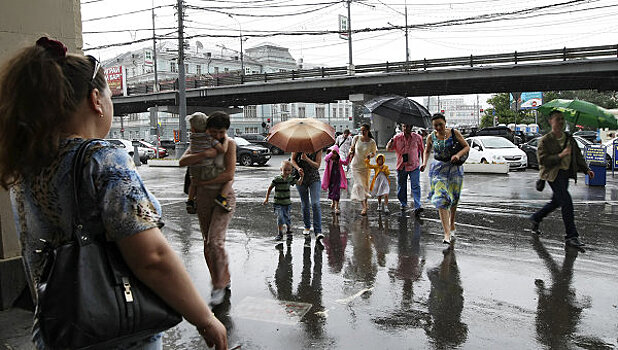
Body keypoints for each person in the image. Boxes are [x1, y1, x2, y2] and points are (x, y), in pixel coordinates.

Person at [0, 37, 227, 349]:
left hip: (57, 328)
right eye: (109, 97)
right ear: (96, 99)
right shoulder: (102, 158)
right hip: (116, 332)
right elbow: (152, 257)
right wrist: (204, 318)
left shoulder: (26, 164)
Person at [179, 111, 236, 306]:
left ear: (226, 131)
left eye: (221, 132)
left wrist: (204, 180)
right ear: (206, 130)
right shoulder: (201, 143)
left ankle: (219, 285)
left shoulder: (230, 145)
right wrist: (204, 154)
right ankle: (221, 279)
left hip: (224, 198)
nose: (217, 136)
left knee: (215, 242)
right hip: (203, 198)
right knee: (207, 243)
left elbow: (229, 174)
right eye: (213, 132)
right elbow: (182, 161)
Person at [529, 110, 594, 248]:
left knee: (557, 201)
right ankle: (571, 236)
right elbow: (543, 160)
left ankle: (536, 217)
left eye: (562, 119)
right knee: (567, 202)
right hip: (553, 175)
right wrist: (561, 155)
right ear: (550, 121)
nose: (560, 122)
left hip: (565, 175)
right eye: (557, 119)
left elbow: (578, 156)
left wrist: (586, 169)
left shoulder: (569, 138)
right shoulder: (545, 140)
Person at [421, 113, 470, 245]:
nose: (438, 127)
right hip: (438, 169)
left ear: (445, 123)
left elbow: (466, 146)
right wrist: (424, 163)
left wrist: (458, 155)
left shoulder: (454, 133)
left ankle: (452, 223)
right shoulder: (431, 137)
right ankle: (446, 233)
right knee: (441, 198)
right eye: (435, 125)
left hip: (454, 169)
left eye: (440, 124)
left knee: (454, 198)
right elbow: (427, 150)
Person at [185, 112, 232, 214]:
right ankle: (222, 198)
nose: (218, 135)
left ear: (192, 129)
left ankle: (190, 201)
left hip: (194, 170)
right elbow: (222, 150)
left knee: (193, 183)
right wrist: (226, 140)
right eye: (214, 131)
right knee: (229, 179)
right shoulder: (209, 139)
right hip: (207, 170)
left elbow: (183, 161)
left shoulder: (192, 138)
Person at [386, 123, 425, 215]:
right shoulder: (397, 138)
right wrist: (390, 143)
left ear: (411, 127)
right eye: (404, 126)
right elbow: (388, 149)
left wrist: (424, 163)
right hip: (401, 166)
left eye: (408, 126)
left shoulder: (417, 137)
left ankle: (417, 205)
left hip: (414, 165)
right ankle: (403, 203)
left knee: (415, 185)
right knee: (401, 186)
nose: (405, 128)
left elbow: (423, 150)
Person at [263, 160, 304, 241]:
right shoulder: (277, 179)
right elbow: (270, 188)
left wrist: (302, 176)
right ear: (281, 169)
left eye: (289, 170)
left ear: (291, 170)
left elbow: (299, 183)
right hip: (278, 203)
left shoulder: (290, 179)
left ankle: (289, 230)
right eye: (285, 170)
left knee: (287, 218)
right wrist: (266, 198)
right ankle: (280, 233)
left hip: (287, 203)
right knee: (280, 217)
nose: (287, 172)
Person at [291, 149, 324, 242]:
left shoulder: (318, 147)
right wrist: (298, 168)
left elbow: (317, 166)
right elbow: (292, 159)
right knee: (305, 204)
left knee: (315, 204)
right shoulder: (297, 145)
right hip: (301, 178)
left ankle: (318, 231)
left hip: (314, 178)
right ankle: (307, 226)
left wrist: (306, 159)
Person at [348, 124, 377, 216]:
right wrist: (350, 151)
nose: (362, 132)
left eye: (364, 130)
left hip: (365, 167)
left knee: (365, 186)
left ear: (368, 131)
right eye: (361, 130)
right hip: (355, 166)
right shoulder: (356, 138)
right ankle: (364, 207)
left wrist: (370, 155)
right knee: (359, 185)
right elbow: (351, 150)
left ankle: (366, 202)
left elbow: (374, 152)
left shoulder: (372, 142)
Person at [321, 145, 348, 215]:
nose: (333, 155)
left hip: (338, 179)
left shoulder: (338, 161)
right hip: (331, 179)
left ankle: (336, 207)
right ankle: (333, 202)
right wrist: (331, 152)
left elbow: (345, 163)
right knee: (332, 191)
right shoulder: (329, 160)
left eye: (335, 153)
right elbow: (325, 158)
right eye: (332, 153)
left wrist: (349, 155)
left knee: (337, 192)